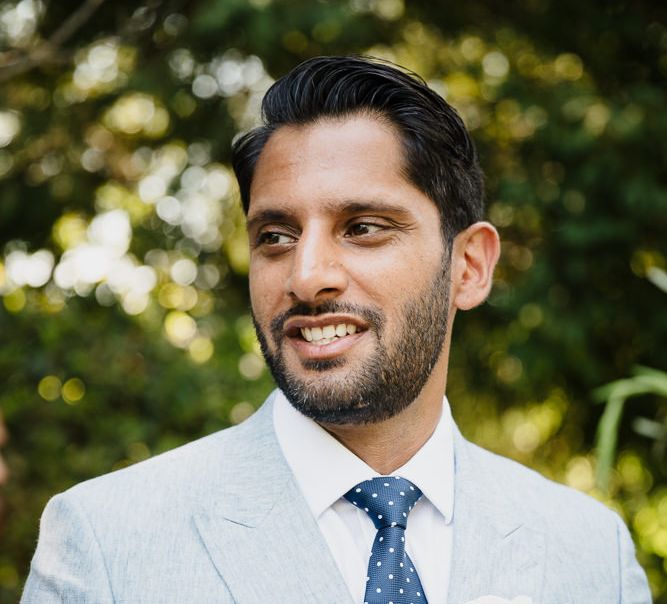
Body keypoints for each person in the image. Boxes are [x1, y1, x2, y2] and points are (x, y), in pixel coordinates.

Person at [22, 56, 650, 604]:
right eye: (276, 236)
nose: (306, 276)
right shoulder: (105, 543)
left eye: (363, 228)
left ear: (469, 266)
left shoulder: (592, 553)